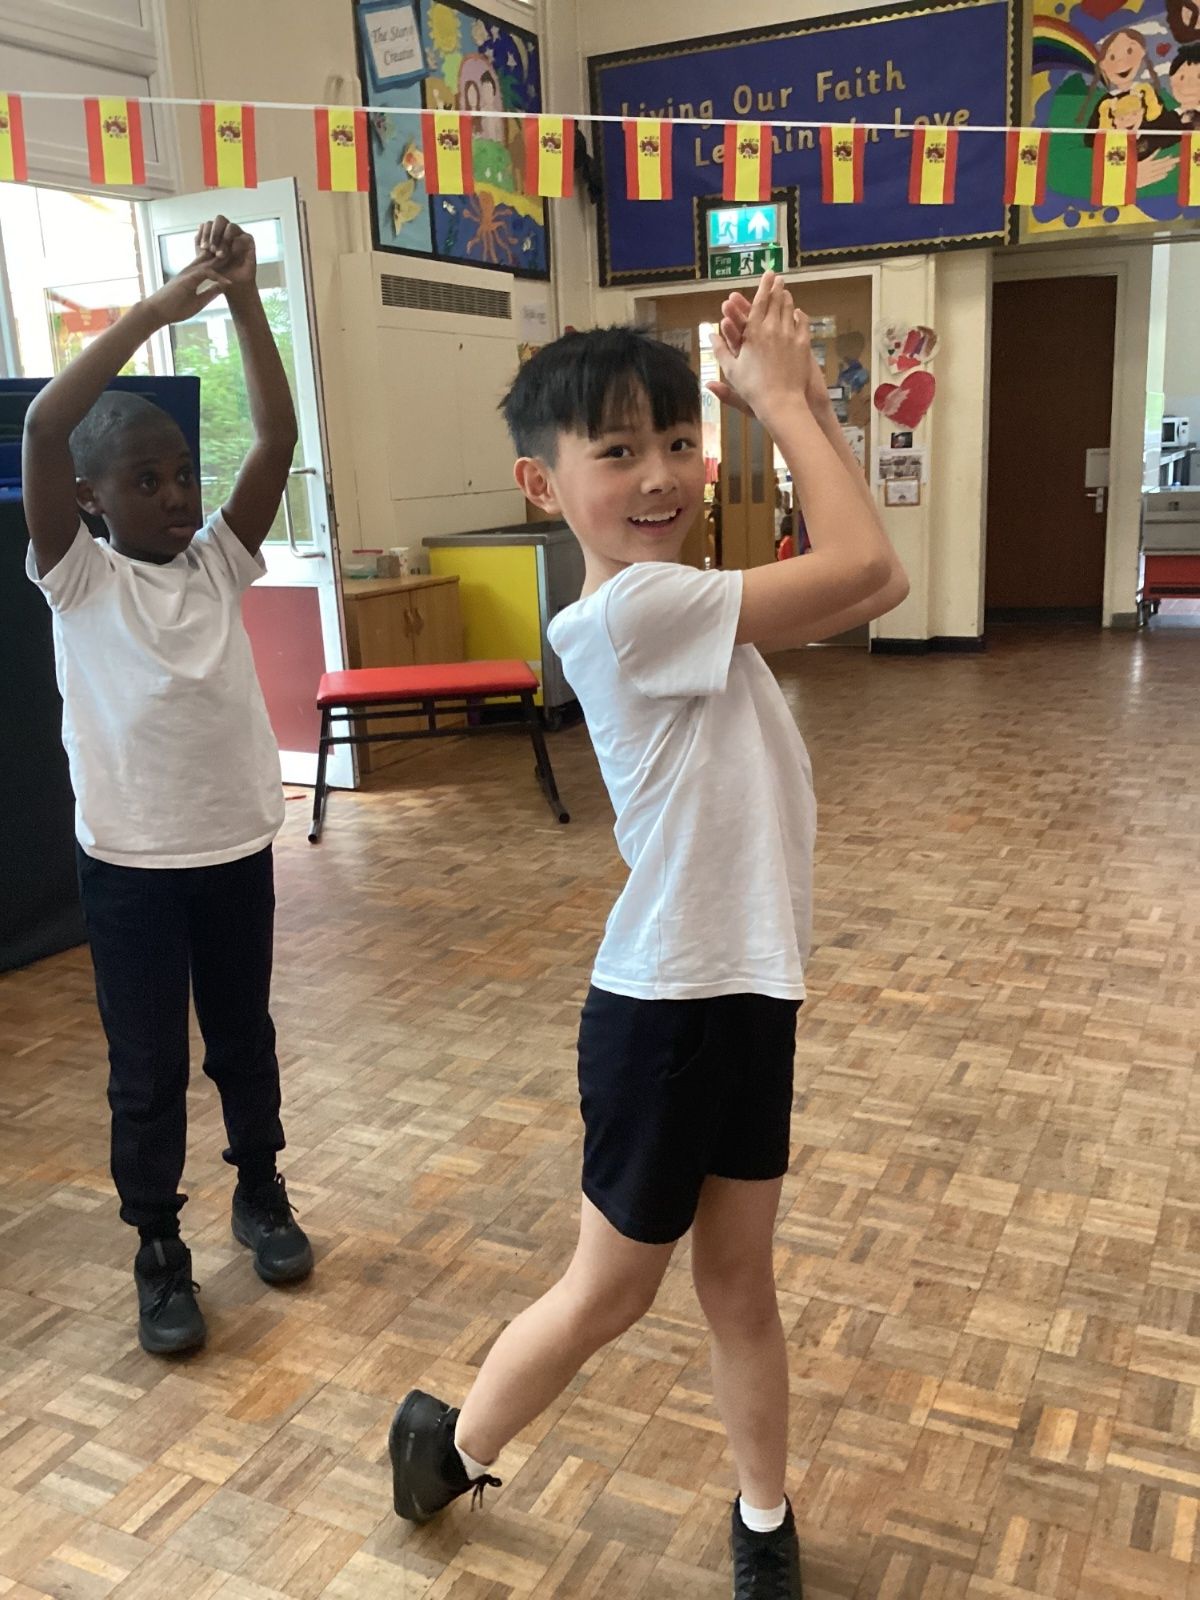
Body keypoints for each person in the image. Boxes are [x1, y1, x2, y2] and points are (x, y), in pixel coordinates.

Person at [388, 273, 908, 1598]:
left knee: (739, 1285)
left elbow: (871, 574)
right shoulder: (631, 614)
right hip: (666, 1014)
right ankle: (450, 1447)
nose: (661, 473)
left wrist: (799, 401)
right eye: (617, 451)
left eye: (680, 439)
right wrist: (784, 403)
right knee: (611, 1292)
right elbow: (871, 571)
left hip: (748, 996)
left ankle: (762, 1517)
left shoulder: (682, 601)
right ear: (541, 483)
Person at [22, 217, 313, 1356]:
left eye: (183, 473)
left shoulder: (218, 562)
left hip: (235, 849)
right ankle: (157, 1246)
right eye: (145, 481)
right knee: (146, 1069)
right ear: (90, 498)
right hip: (132, 870)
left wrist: (241, 297)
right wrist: (156, 309)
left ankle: (262, 1191)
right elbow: (45, 424)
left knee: (244, 1038)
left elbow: (277, 435)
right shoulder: (78, 578)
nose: (177, 494)